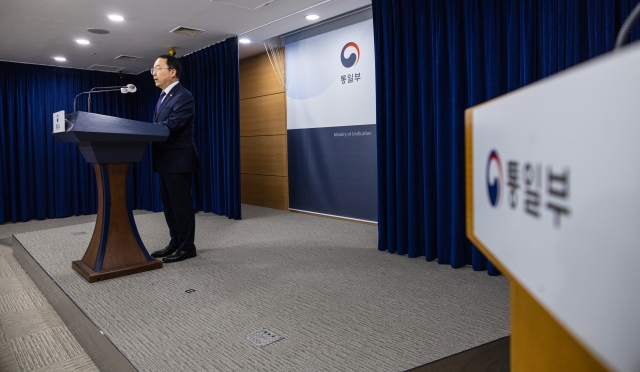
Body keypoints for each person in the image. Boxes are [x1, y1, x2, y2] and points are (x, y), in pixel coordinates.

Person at [149, 55, 201, 263]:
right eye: (152, 69)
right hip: (164, 159)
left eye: (158, 68)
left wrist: (147, 132)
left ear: (172, 72)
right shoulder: (163, 96)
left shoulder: (183, 95)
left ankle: (187, 247)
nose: (153, 72)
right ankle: (175, 242)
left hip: (178, 159)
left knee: (181, 206)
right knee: (169, 206)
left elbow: (173, 124)